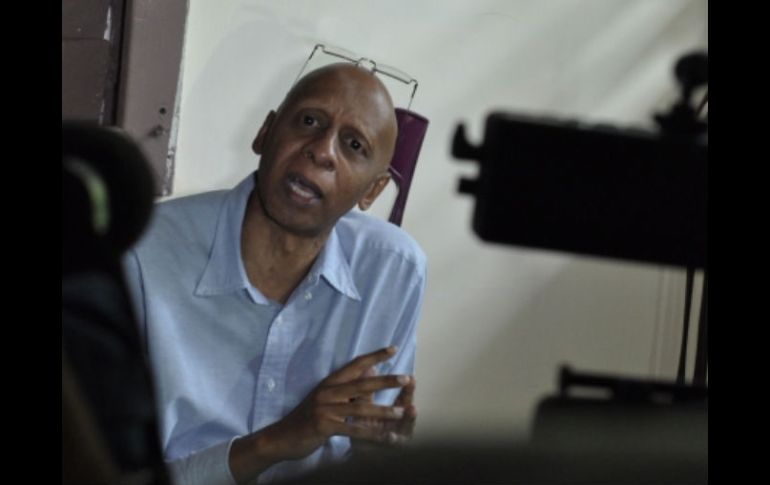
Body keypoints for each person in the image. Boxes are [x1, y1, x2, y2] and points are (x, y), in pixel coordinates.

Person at [123, 62, 427, 484]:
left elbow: (371, 454)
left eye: (353, 145)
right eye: (308, 121)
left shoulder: (393, 271)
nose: (322, 150)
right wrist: (277, 442)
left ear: (373, 191)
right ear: (265, 133)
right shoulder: (142, 254)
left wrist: (380, 456)